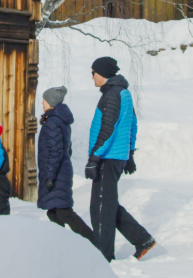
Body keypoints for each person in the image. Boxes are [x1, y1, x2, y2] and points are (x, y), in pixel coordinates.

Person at [86, 57, 156, 261]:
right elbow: (132, 124)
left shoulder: (112, 94)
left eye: (93, 73)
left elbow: (108, 129)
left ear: (103, 73)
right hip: (116, 156)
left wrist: (94, 158)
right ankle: (142, 239)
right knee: (107, 203)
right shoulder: (123, 93)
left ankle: (103, 256)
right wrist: (130, 154)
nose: (91, 77)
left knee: (100, 207)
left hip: (107, 157)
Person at [37, 86, 93, 242]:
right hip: (60, 171)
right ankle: (61, 244)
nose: (42, 103)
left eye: (44, 100)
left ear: (51, 103)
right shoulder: (59, 120)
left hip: (57, 173)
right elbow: (66, 149)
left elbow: (55, 152)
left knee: (63, 212)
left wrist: (50, 176)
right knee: (54, 212)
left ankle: (94, 242)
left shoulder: (53, 122)